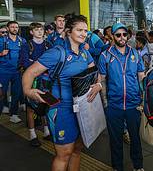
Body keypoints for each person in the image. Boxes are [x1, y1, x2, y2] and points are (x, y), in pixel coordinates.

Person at [22, 15, 101, 171]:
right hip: (61, 109)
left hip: (82, 108)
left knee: (77, 150)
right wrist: (28, 91)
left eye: (86, 31)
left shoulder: (85, 53)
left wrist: (98, 84)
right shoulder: (57, 53)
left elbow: (95, 72)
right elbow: (29, 73)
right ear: (68, 31)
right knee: (64, 154)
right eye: (79, 30)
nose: (84, 34)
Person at [98, 23, 145, 171]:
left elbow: (141, 78)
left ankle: (138, 166)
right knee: (115, 140)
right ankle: (117, 167)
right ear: (112, 36)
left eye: (124, 34)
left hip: (133, 105)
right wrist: (105, 103)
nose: (122, 37)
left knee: (135, 139)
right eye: (118, 35)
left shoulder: (135, 54)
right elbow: (102, 80)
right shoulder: (105, 55)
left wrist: (143, 101)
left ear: (128, 35)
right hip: (114, 105)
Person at [21, 22, 51, 147]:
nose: (40, 31)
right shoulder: (26, 45)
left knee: (46, 104)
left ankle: (46, 131)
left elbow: (52, 61)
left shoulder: (48, 44)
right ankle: (32, 134)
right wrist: (41, 66)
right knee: (31, 107)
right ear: (31, 32)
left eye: (41, 29)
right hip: (31, 80)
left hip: (46, 80)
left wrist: (36, 63)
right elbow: (25, 62)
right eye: (37, 30)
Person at [0, 21, 27, 123]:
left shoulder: (22, 41)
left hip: (17, 71)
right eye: (12, 27)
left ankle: (14, 114)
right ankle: (3, 107)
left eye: (16, 27)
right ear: (8, 28)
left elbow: (25, 55)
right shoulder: (2, 40)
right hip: (4, 71)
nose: (15, 29)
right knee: (2, 94)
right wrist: (1, 53)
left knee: (16, 93)